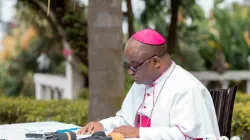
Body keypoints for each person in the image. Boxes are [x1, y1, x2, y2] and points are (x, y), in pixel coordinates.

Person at [77, 28, 220, 139]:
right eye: (128, 65)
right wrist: (102, 125)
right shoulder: (142, 82)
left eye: (134, 65)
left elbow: (189, 136)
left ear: (156, 62)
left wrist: (140, 133)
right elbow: (125, 120)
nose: (130, 72)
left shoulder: (187, 88)